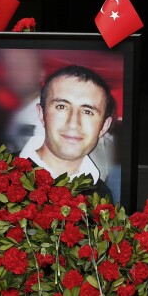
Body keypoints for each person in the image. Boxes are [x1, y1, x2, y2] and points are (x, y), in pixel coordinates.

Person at [20, 65, 114, 199]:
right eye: (62, 107)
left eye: (87, 111)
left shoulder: (103, 198)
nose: (73, 123)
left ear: (104, 126)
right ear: (41, 114)